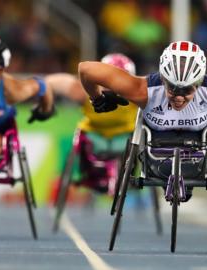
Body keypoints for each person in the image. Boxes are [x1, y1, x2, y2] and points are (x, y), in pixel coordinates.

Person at [78, 40, 207, 131]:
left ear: (199, 82)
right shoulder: (142, 90)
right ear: (164, 79)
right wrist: (97, 98)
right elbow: (86, 69)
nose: (179, 96)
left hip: (198, 154)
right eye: (173, 88)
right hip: (154, 150)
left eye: (188, 89)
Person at [46, 53, 138, 192]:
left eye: (121, 78)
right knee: (80, 141)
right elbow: (51, 82)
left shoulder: (137, 92)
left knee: (139, 138)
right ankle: (91, 175)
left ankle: (124, 175)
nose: (114, 83)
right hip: (93, 135)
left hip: (125, 138)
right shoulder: (84, 89)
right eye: (109, 78)